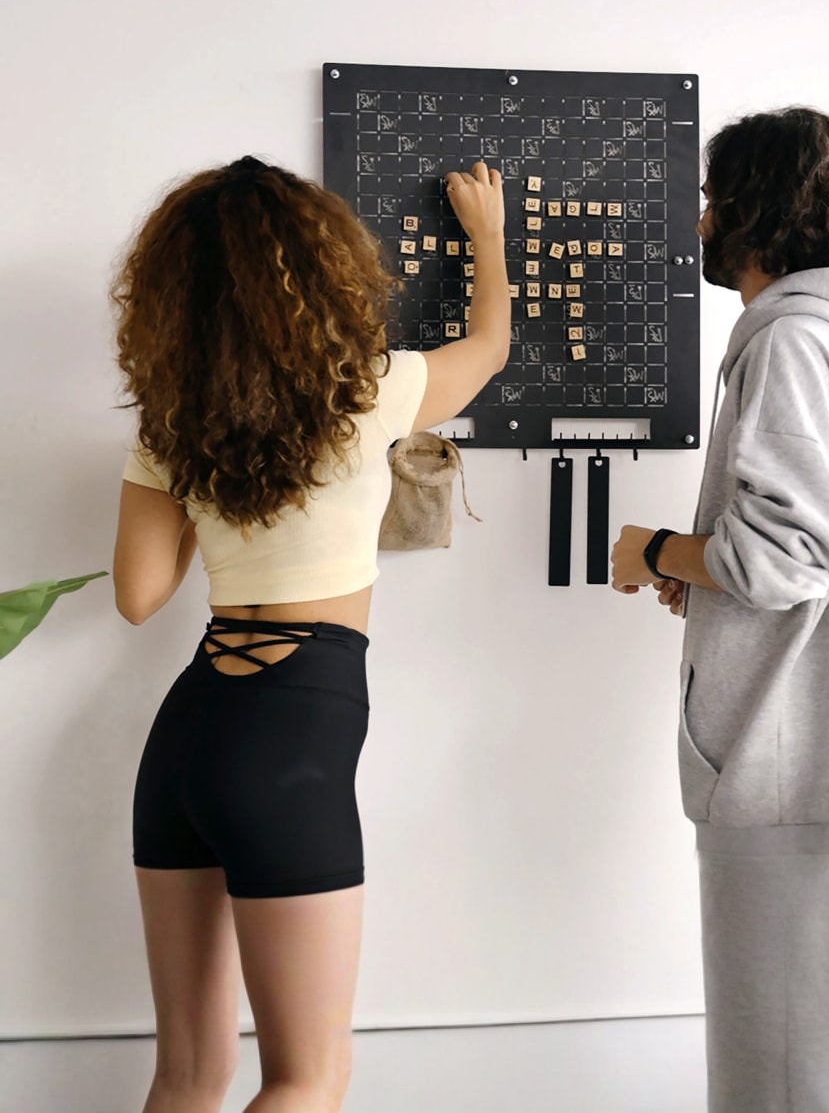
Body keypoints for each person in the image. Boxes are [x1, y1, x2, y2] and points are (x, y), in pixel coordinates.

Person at [111, 155, 508, 1113]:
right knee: (308, 1077)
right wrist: (489, 238)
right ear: (322, 271)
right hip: (290, 739)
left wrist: (205, 483)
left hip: (186, 738)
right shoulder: (373, 390)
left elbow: (138, 594)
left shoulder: (170, 424)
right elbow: (490, 347)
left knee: (188, 1075)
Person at [611, 107, 829, 1113]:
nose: (699, 222)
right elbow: (818, 549)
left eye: (712, 199)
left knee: (780, 1075)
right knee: (809, 1064)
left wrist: (655, 550)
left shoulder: (789, 343)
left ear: (760, 210)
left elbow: (787, 556)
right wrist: (707, 574)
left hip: (783, 754)